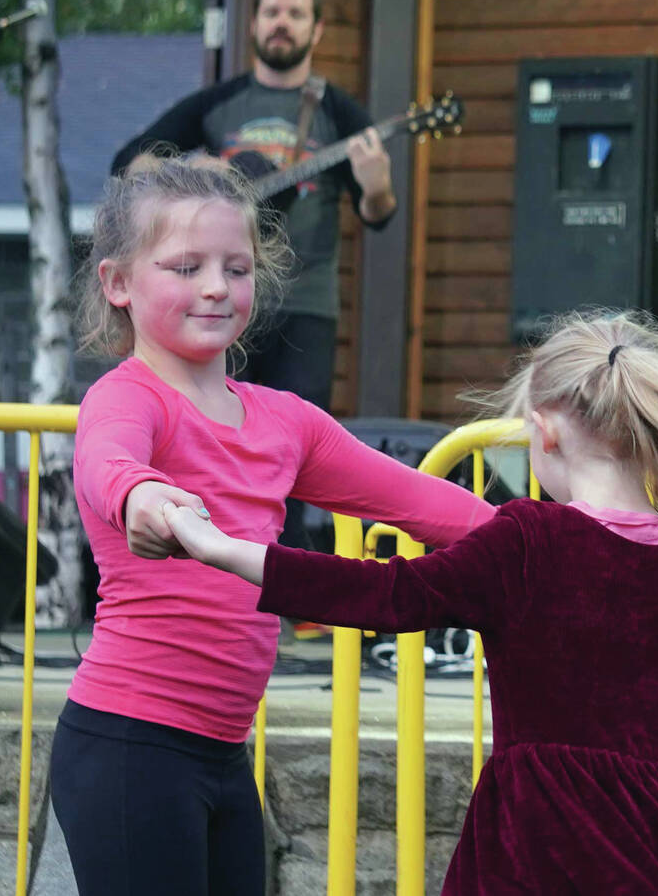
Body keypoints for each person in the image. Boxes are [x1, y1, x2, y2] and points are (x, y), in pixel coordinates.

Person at [160, 310, 658, 895]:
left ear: (545, 431)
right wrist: (655, 784)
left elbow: (386, 594)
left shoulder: (526, 540)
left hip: (536, 835)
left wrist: (227, 549)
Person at [49, 154, 494, 895]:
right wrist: (145, 498)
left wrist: (561, 540)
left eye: (237, 267)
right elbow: (106, 462)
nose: (217, 286)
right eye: (186, 266)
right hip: (130, 747)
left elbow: (426, 502)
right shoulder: (128, 397)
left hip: (224, 755)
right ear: (118, 282)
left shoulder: (286, 421)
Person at [112, 0, 395, 415]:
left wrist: (378, 188)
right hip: (220, 296)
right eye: (273, 12)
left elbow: (377, 216)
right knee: (215, 427)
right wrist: (201, 171)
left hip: (306, 303)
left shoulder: (339, 113)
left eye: (296, 14)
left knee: (299, 439)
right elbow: (129, 163)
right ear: (254, 23)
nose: (282, 22)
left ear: (316, 29)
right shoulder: (218, 103)